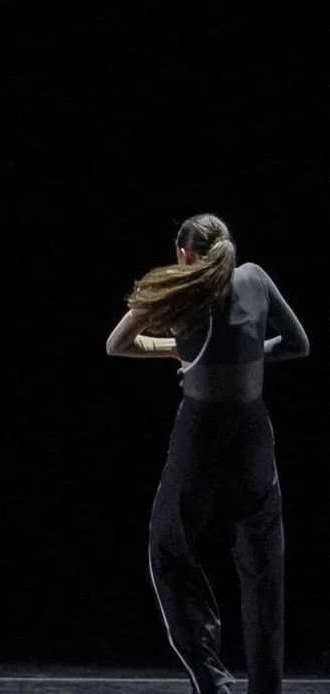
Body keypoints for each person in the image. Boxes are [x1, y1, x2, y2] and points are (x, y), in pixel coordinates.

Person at [106, 213, 308, 694]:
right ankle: (266, 687)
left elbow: (117, 344)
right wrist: (241, 356)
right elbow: (298, 344)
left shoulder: (181, 288)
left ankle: (211, 676)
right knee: (264, 562)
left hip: (201, 433)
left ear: (184, 253)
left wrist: (176, 350)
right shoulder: (255, 277)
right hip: (252, 432)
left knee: (168, 548)